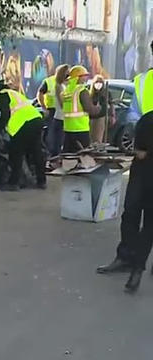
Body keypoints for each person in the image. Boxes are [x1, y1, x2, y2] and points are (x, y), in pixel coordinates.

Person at [97, 41, 153, 292]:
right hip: (141, 158)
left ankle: (138, 267)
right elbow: (133, 114)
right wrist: (136, 136)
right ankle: (126, 256)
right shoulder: (142, 81)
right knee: (131, 209)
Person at [0, 79, 46, 191]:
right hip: (36, 120)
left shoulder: (2, 96)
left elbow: (5, 116)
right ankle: (41, 181)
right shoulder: (13, 93)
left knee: (16, 153)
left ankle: (14, 183)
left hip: (22, 125)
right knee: (36, 151)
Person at [61, 65, 100, 152]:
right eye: (84, 76)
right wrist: (99, 108)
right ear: (78, 77)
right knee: (82, 156)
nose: (86, 78)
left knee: (68, 156)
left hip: (68, 129)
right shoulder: (81, 90)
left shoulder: (66, 91)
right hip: (80, 129)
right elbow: (89, 109)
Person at [89, 75, 115, 144]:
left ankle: (97, 149)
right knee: (90, 137)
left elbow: (111, 104)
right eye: (96, 82)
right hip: (90, 118)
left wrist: (112, 115)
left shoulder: (106, 93)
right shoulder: (90, 93)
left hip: (100, 117)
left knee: (98, 138)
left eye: (100, 82)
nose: (98, 84)